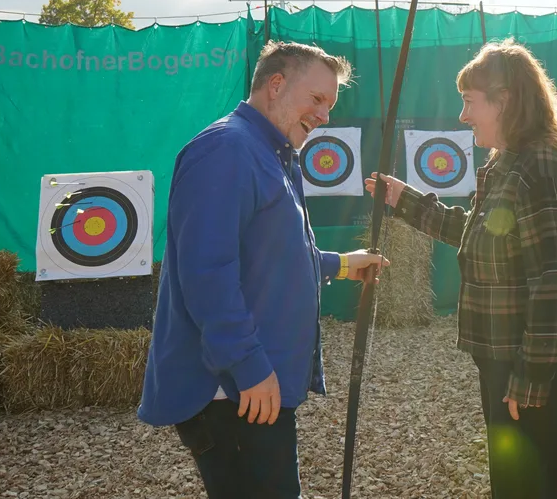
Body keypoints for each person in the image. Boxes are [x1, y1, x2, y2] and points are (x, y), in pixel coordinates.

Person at [138, 40, 389, 499]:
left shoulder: (266, 149)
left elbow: (272, 253)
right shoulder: (227, 149)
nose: (324, 116)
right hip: (231, 391)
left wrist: (341, 265)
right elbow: (207, 272)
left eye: (330, 105)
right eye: (317, 99)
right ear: (276, 84)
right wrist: (248, 365)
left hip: (248, 384)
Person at [363, 38, 557, 499]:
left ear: (506, 100)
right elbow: (480, 232)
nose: (463, 116)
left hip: (534, 362)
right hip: (509, 355)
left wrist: (531, 377)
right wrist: (404, 200)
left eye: (470, 102)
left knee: (525, 487)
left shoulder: (543, 165)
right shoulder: (509, 161)